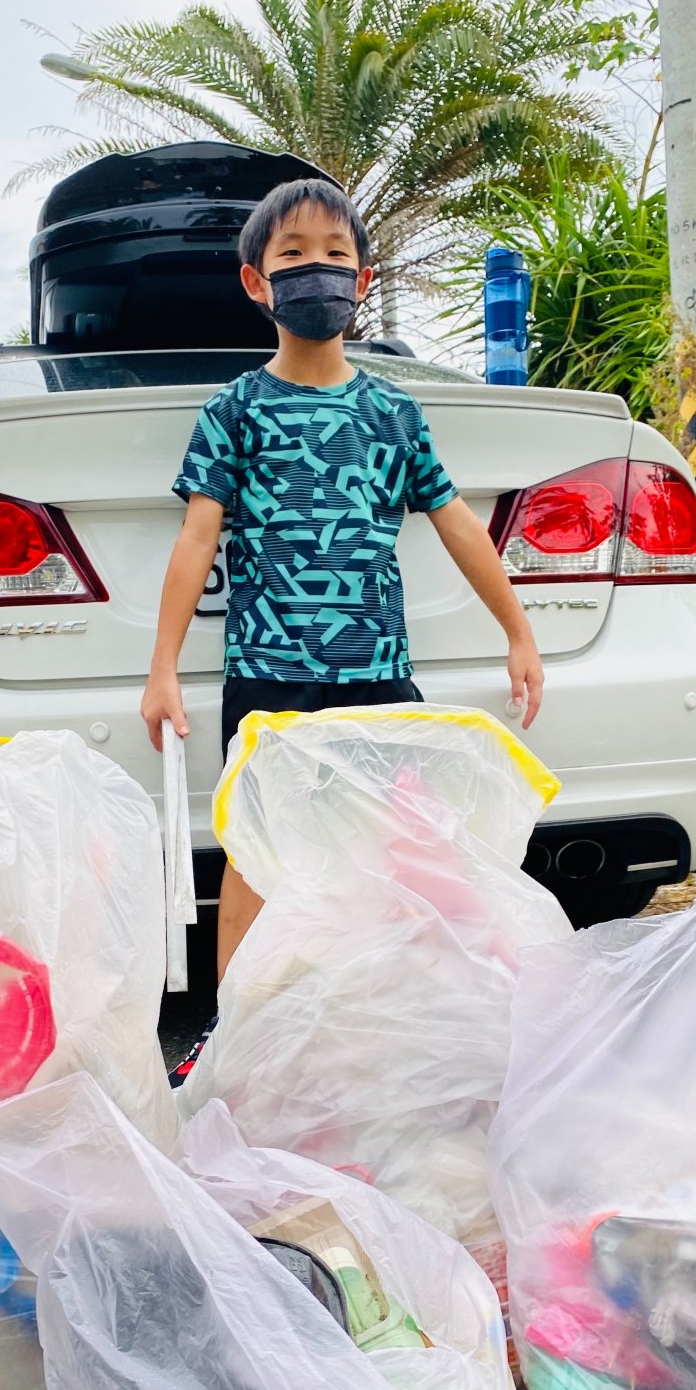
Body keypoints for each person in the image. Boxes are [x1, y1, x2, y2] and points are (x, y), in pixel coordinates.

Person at [141, 177, 543, 1070]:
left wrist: (517, 630)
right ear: (257, 282)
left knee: (401, 846)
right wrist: (162, 667)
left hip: (377, 675)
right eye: (293, 255)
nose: (315, 270)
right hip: (268, 673)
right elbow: (197, 538)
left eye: (334, 255)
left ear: (362, 281)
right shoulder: (235, 411)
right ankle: (237, 1035)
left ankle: (402, 1021)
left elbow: (456, 522)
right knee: (253, 853)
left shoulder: (393, 413)